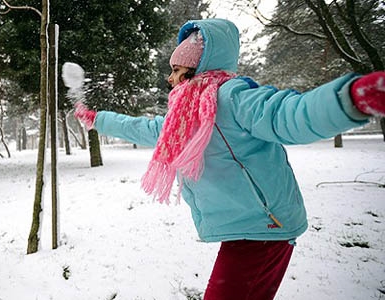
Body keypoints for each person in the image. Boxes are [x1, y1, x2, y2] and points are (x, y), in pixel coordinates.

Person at [73, 18, 385, 300]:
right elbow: (142, 127)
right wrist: (98, 119)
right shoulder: (184, 116)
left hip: (265, 227)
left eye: (176, 71)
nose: (170, 79)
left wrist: (351, 98)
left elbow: (288, 114)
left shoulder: (233, 97)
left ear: (198, 71)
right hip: (246, 229)